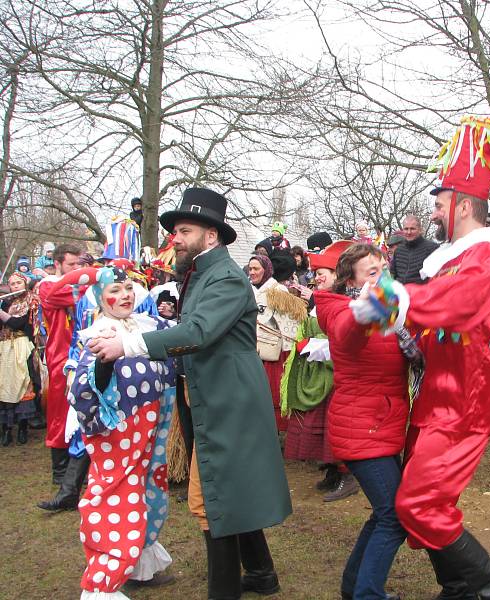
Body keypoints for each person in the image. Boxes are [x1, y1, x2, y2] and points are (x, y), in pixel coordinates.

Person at [88, 187, 292, 599]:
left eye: (183, 230)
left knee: (209, 497)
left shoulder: (225, 276)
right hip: (211, 393)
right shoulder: (201, 271)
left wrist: (127, 345)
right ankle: (261, 574)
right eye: (175, 231)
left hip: (228, 399)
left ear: (211, 236)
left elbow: (199, 331)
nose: (174, 239)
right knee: (231, 487)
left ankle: (225, 591)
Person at [351, 116, 490, 599]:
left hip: (464, 405)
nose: (433, 212)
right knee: (424, 501)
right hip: (439, 399)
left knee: (419, 503)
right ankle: (459, 584)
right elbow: (437, 324)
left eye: (440, 203)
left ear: (464, 206)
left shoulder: (486, 258)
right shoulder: (457, 256)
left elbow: (456, 304)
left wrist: (395, 299)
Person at [59, 265, 176, 598]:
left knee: (152, 486)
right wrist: (102, 396)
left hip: (155, 422)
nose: (125, 295)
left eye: (128, 288)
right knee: (116, 494)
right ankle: (102, 583)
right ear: (100, 297)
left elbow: (188, 336)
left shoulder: (148, 324)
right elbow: (83, 389)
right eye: (115, 290)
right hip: (120, 429)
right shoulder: (99, 333)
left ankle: (140, 561)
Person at [316, 243, 413, 600]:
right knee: (394, 516)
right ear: (349, 281)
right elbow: (347, 331)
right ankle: (367, 595)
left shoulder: (393, 312)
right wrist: (368, 309)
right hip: (362, 430)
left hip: (380, 426)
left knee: (384, 512)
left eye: (382, 268)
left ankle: (353, 588)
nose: (381, 276)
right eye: (371, 272)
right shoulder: (341, 308)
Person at [281, 240, 354, 499]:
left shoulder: (346, 304)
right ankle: (332, 470)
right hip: (319, 373)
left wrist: (311, 345)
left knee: (338, 426)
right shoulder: (320, 303)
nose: (316, 279)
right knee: (321, 423)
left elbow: (344, 343)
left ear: (338, 276)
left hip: (336, 376)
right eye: (315, 275)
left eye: (321, 275)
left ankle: (348, 474)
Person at [38, 243, 84, 486]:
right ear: (57, 264)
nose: (76, 269)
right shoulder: (47, 287)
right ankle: (60, 470)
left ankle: (78, 468)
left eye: (79, 265)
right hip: (60, 358)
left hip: (82, 354)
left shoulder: (77, 285)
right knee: (60, 412)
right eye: (71, 265)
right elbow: (80, 295)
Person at [248, 253, 307, 433]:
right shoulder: (249, 290)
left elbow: (292, 325)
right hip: (250, 351)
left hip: (271, 354)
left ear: (266, 270)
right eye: (249, 268)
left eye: (255, 268)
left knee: (270, 394)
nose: (251, 272)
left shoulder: (277, 293)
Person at [0, 271, 39, 446]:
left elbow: (18, 324)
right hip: (5, 347)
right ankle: (6, 430)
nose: (15, 287)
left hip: (22, 346)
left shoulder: (31, 301)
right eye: (12, 284)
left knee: (24, 384)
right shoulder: (7, 302)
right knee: (4, 385)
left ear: (25, 284)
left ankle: (23, 428)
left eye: (18, 283)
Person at [389, 214, 438, 284]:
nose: (409, 232)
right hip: (400, 292)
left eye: (412, 229)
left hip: (422, 293)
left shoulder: (432, 248)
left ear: (420, 230)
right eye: (406, 229)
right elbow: (393, 275)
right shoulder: (398, 250)